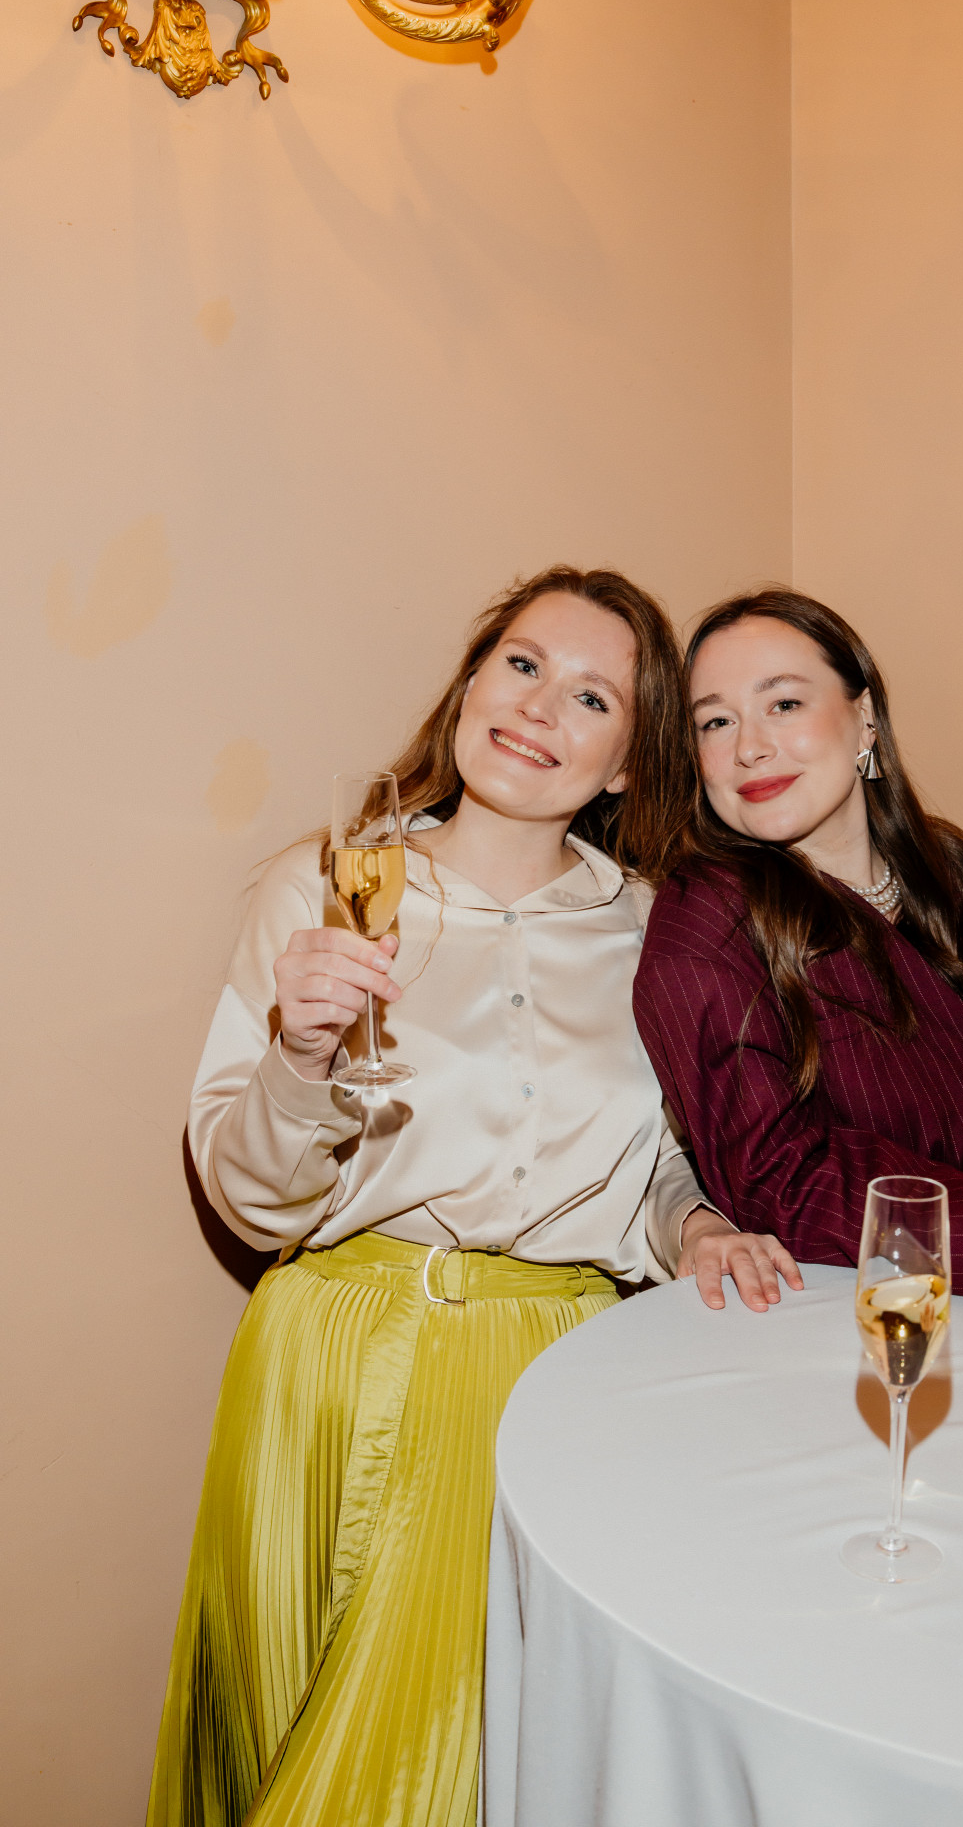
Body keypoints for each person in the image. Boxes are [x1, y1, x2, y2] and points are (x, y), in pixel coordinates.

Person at [147, 566, 795, 1827]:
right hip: (322, 1367)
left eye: (592, 696)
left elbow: (654, 1161)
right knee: (285, 1738)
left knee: (439, 1769)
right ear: (471, 681)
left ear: (628, 762)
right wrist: (300, 1053)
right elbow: (251, 1197)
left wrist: (697, 1222)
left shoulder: (654, 929)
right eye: (522, 663)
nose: (541, 705)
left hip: (544, 1381)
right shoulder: (324, 888)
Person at [632, 588, 963, 1302]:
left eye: (784, 703)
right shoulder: (704, 920)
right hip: (861, 1321)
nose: (749, 747)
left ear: (865, 716)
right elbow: (770, 1177)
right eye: (715, 721)